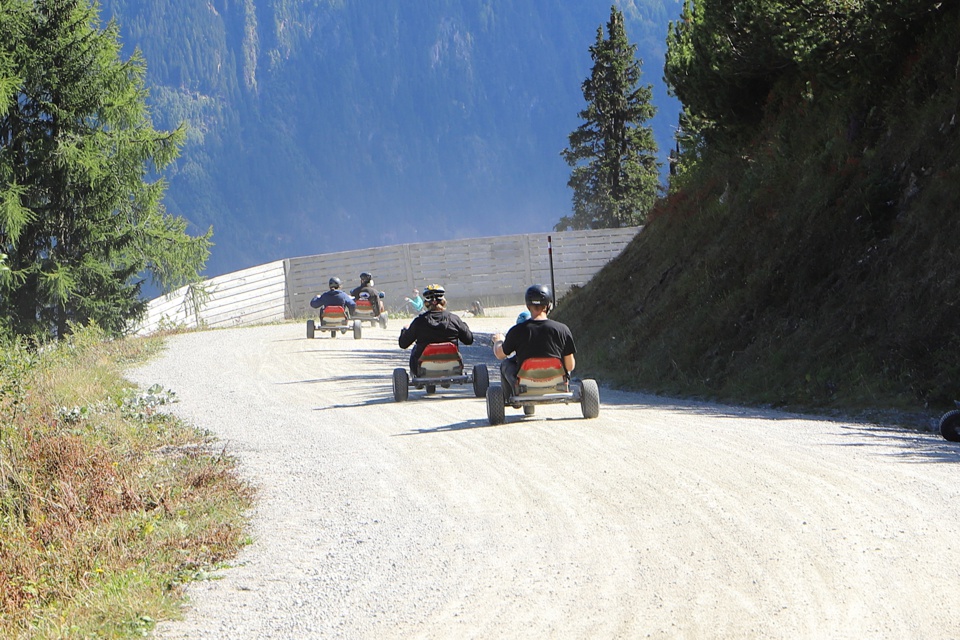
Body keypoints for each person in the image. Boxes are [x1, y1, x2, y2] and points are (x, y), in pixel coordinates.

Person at [492, 284, 576, 399]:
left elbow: (500, 355)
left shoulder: (517, 331)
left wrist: (498, 341)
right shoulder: (563, 330)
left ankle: (512, 395)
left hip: (526, 383)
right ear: (549, 305)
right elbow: (570, 366)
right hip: (556, 383)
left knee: (506, 364)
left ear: (528, 306)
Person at [398, 284, 473, 377]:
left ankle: (417, 376)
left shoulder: (419, 322)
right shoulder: (454, 319)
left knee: (415, 349)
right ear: (443, 301)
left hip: (423, 368)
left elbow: (403, 344)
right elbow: (469, 340)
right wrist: (464, 326)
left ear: (426, 303)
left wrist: (405, 330)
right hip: (452, 366)